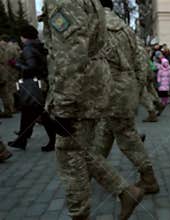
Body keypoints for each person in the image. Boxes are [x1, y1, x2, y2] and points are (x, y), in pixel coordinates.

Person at [42, 0, 143, 219]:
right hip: (90, 86)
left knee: (69, 155)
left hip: (79, 90)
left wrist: (64, 105)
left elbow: (71, 55)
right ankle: (126, 192)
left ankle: (81, 214)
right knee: (79, 149)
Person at [96, 0, 160, 195]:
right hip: (125, 89)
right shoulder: (125, 28)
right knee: (106, 132)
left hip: (110, 90)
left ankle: (149, 178)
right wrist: (136, 88)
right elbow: (141, 61)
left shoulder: (96, 25)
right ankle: (95, 168)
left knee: (126, 137)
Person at [7, 25, 56, 152]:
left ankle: (53, 141)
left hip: (32, 84)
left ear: (24, 36)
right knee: (28, 112)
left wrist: (15, 64)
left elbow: (31, 67)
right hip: (39, 82)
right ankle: (21, 141)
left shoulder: (28, 48)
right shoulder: (39, 45)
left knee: (40, 113)